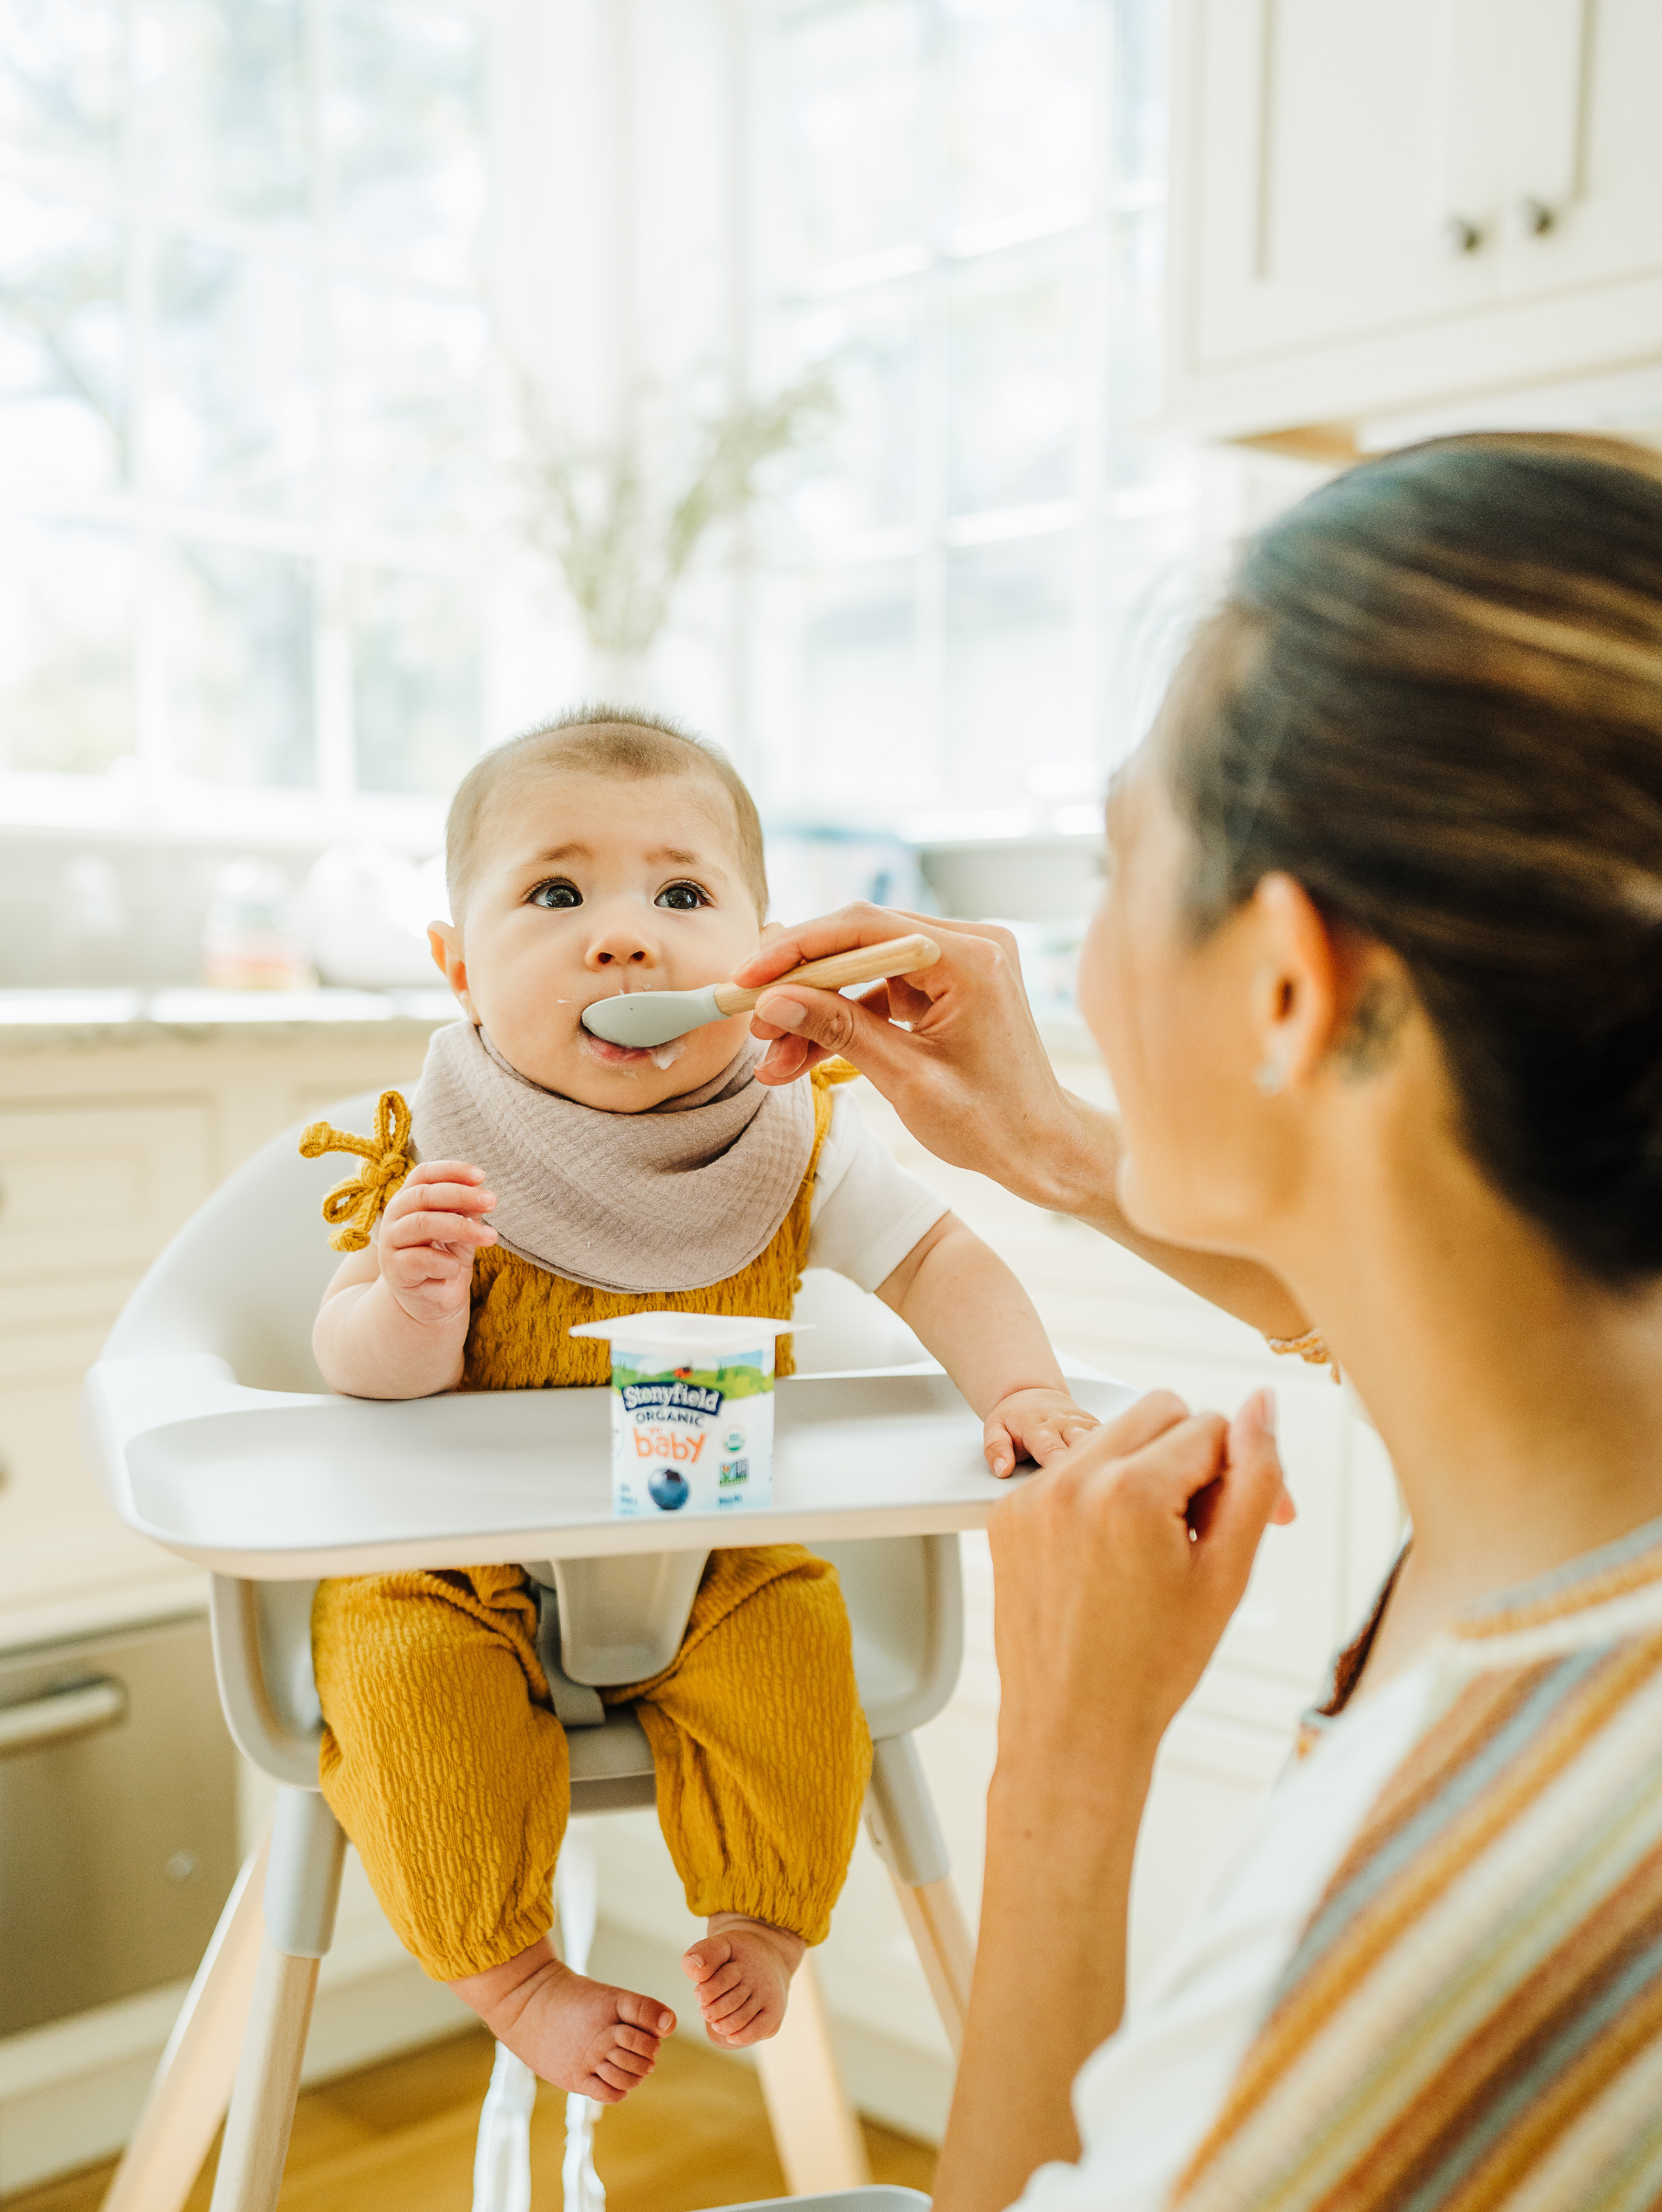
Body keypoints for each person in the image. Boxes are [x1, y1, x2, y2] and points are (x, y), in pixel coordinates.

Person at [738, 433, 1662, 2210]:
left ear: (1286, 983)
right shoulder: (1580, 1458)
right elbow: (1431, 1300)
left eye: (1109, 872)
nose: (1075, 957)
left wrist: (1068, 1759)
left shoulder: (1442, 1931)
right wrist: (1060, 1148)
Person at [299, 710, 1100, 2106]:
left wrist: (1022, 1387)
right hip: (458, 1569)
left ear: (758, 952)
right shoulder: (439, 1145)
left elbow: (939, 1260)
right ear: (457, 965)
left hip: (710, 1542)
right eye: (557, 894)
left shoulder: (790, 1133)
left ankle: (761, 1917)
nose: (624, 938)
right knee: (398, 1677)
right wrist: (407, 1308)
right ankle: (510, 1975)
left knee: (800, 1652)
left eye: (681, 895)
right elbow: (357, 1367)